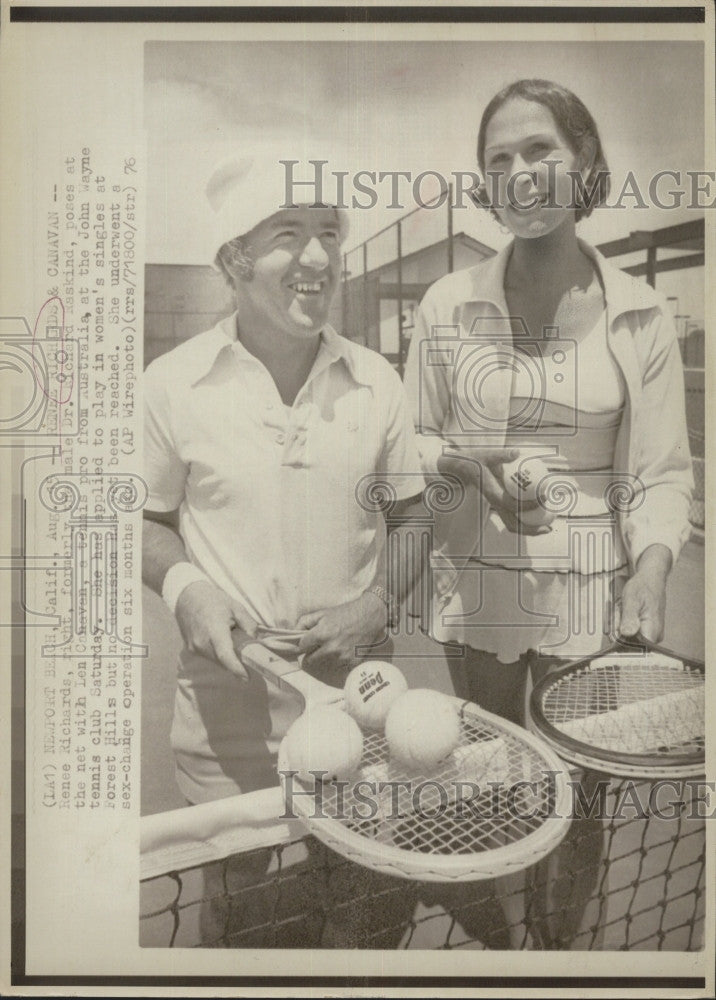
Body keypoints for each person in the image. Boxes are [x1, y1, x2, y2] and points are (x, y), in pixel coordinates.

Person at [403, 78, 693, 946]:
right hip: (476, 593)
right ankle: (502, 951)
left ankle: (556, 955)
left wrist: (650, 566)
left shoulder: (641, 316)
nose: (520, 172)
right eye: (499, 158)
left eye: (540, 151)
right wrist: (460, 462)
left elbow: (665, 474)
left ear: (585, 162)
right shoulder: (447, 304)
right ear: (485, 184)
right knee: (493, 781)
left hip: (596, 597)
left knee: (578, 797)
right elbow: (409, 442)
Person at [142, 154, 426, 945]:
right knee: (247, 939)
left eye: (329, 233)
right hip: (225, 730)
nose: (317, 257)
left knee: (367, 926)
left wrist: (374, 605)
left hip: (366, 713)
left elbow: (412, 522)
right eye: (287, 234)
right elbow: (142, 521)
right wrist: (188, 589)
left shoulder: (378, 381)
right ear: (232, 261)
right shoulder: (169, 385)